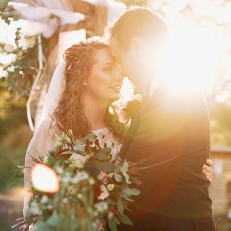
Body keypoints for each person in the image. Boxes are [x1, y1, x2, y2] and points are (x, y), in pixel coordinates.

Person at [106, 6, 215, 231]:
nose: (122, 73)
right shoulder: (169, 94)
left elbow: (133, 180)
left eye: (119, 60)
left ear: (136, 47)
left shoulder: (170, 99)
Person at [23, 37, 126, 216]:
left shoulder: (122, 136)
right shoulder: (51, 130)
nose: (119, 76)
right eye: (108, 69)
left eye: (118, 68)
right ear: (83, 76)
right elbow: (32, 201)